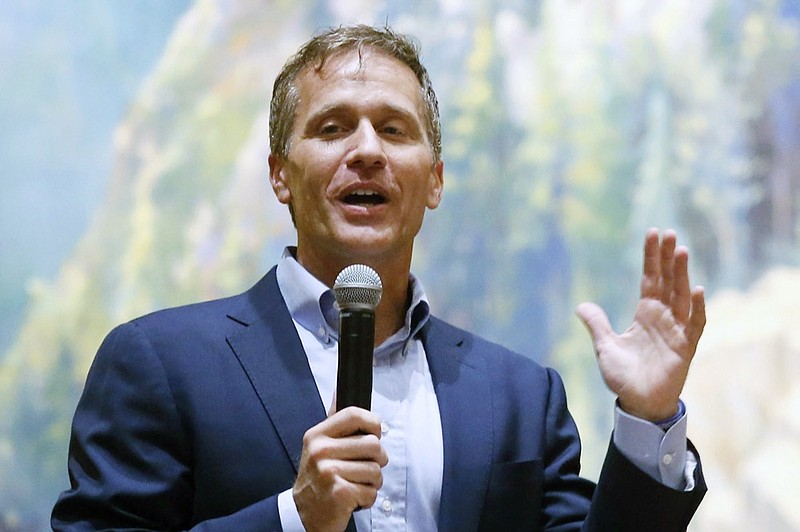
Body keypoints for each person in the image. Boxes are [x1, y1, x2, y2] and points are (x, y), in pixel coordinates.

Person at [52, 24, 707, 531]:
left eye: (394, 130)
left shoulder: (520, 396)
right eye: (333, 127)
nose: (366, 150)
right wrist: (294, 518)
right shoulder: (159, 363)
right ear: (280, 173)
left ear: (436, 180)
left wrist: (649, 421)